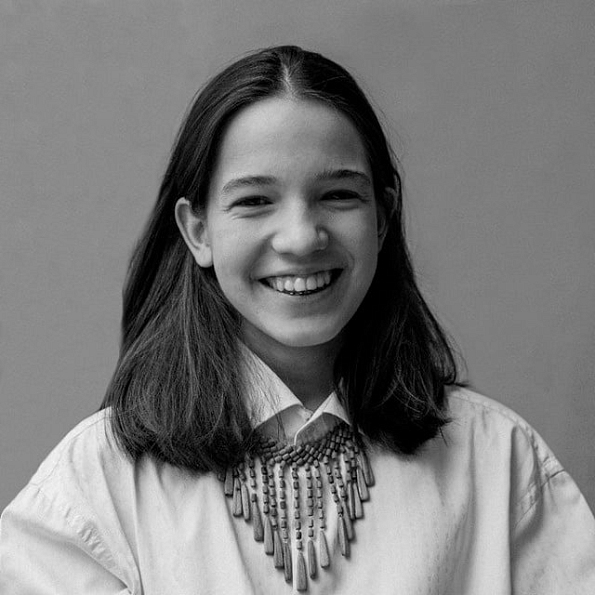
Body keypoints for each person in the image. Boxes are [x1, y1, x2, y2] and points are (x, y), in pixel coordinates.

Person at [1, 45, 594, 595]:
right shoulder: (100, 484)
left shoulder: (498, 461)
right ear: (198, 231)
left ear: (382, 219)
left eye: (338, 195)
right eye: (254, 201)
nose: (302, 238)